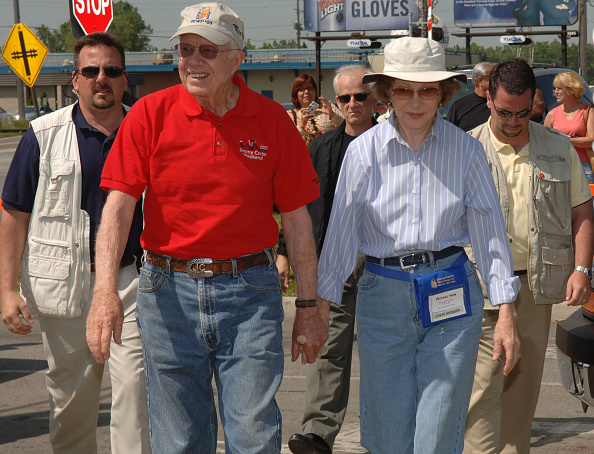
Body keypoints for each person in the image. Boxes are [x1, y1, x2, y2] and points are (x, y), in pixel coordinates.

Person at [85, 3, 328, 453]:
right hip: (166, 292)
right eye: (185, 49)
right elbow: (117, 208)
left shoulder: (273, 121)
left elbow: (298, 223)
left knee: (254, 436)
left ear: (237, 57)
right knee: (178, 440)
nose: (193, 61)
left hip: (250, 294)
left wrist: (309, 308)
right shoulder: (148, 115)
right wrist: (105, 294)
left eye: (208, 51)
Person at [316, 37, 521, 454]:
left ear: (443, 93)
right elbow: (341, 233)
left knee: (440, 429)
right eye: (403, 89)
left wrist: (506, 312)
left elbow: (489, 233)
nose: (415, 101)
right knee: (388, 434)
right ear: (386, 93)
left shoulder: (466, 151)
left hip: (452, 289)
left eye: (427, 89)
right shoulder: (362, 152)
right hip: (381, 295)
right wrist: (321, 306)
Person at [0, 32, 150, 453]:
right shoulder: (41, 136)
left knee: (135, 395)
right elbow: (14, 213)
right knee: (72, 407)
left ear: (125, 80)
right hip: (64, 286)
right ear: (75, 80)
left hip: (132, 281)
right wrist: (6, 289)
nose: (101, 78)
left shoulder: (148, 131)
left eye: (112, 70)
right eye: (91, 70)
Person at [464, 58, 594, 454]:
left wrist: (581, 268)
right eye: (505, 112)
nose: (514, 121)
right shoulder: (466, 148)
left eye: (523, 112)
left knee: (522, 390)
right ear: (487, 97)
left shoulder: (556, 145)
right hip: (480, 283)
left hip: (537, 288)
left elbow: (581, 209)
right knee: (483, 386)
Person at [279, 65, 377, 454]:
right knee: (329, 347)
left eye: (361, 96)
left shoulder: (397, 142)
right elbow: (299, 206)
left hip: (385, 264)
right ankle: (317, 433)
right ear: (334, 102)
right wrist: (286, 254)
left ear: (375, 99)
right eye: (345, 98)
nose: (353, 104)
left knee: (383, 350)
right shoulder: (321, 148)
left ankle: (389, 431)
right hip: (334, 262)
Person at [544, 71, 594, 184]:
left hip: (583, 166)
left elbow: (591, 141)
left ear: (571, 89)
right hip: (558, 166)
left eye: (559, 88)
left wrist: (564, 139)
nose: (555, 92)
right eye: (555, 88)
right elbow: (544, 141)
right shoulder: (552, 114)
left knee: (588, 200)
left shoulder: (587, 111)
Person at [287, 73, 343, 146]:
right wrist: (302, 125)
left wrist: (333, 115)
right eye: (302, 89)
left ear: (315, 91)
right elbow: (286, 142)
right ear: (296, 94)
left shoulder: (328, 108)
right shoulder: (289, 116)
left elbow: (348, 127)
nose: (306, 92)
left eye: (310, 88)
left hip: (325, 156)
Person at [447, 62, 493, 131]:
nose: (498, 81)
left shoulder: (501, 105)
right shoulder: (459, 106)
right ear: (480, 81)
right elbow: (449, 135)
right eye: (493, 78)